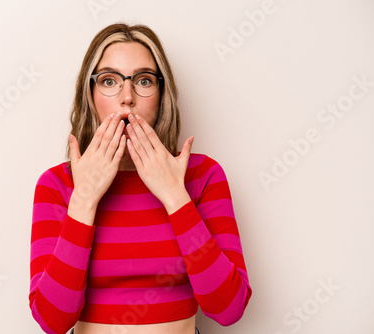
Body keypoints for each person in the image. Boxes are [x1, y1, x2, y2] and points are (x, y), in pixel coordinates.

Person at [29, 23, 252, 334]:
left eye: (144, 80)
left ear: (162, 95)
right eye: (109, 80)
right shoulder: (57, 184)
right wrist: (84, 198)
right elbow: (52, 321)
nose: (127, 97)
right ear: (90, 94)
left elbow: (229, 308)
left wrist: (175, 195)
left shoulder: (203, 176)